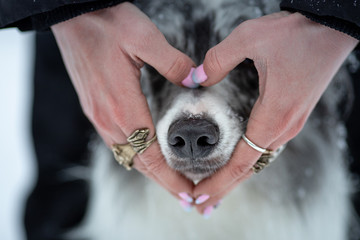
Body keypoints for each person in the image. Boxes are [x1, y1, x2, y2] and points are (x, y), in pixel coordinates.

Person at [0, 0, 359, 239]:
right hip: (105, 35)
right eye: (155, 73)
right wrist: (71, 9)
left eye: (245, 70)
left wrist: (338, 13)